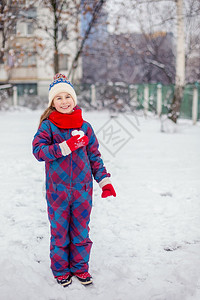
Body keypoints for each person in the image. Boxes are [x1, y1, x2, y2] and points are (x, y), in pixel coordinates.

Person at [32, 73, 116, 287]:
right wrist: (65, 147)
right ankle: (60, 269)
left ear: (74, 99)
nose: (64, 101)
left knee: (81, 231)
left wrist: (104, 181)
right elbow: (38, 151)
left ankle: (80, 267)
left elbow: (94, 156)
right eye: (58, 98)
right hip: (57, 190)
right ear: (52, 102)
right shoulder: (48, 126)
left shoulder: (85, 127)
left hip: (82, 190)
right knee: (60, 232)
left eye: (67, 97)